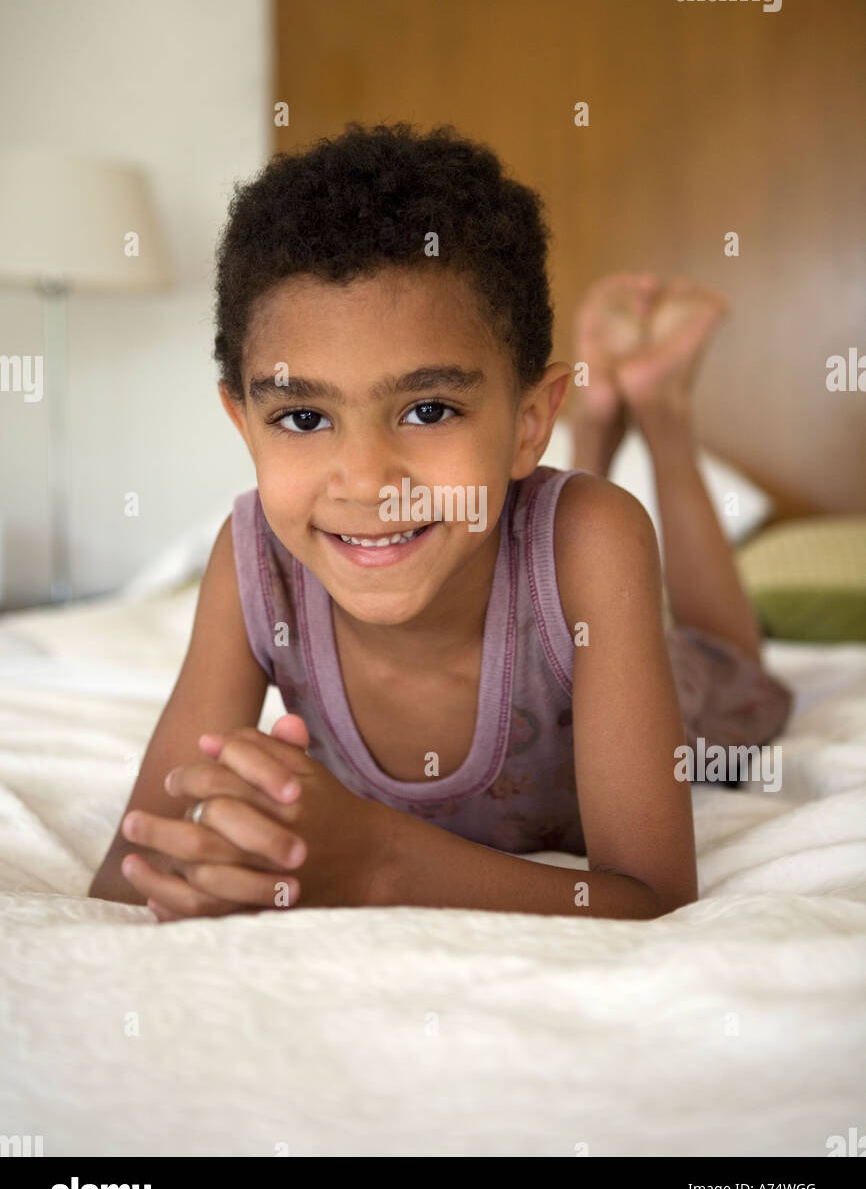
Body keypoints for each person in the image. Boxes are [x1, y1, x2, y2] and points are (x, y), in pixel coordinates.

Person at [88, 122, 791, 921]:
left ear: (529, 422)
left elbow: (651, 896)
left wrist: (379, 862)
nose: (366, 482)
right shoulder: (253, 560)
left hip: (682, 682)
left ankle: (660, 417)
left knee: (729, 659)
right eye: (303, 418)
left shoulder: (595, 542)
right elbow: (135, 868)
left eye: (428, 409)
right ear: (244, 423)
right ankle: (600, 421)